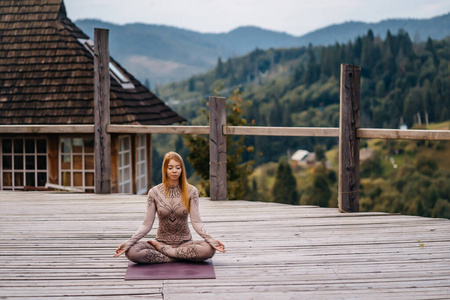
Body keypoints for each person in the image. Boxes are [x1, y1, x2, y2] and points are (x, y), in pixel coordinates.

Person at [114, 151, 225, 264]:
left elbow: (197, 222)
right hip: (161, 242)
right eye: (170, 167)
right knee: (131, 252)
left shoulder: (192, 191)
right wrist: (128, 242)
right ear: (165, 170)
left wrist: (211, 240)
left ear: (182, 169)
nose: (174, 171)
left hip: (185, 243)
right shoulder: (154, 192)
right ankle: (178, 256)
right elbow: (146, 225)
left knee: (209, 249)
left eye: (178, 167)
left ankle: (167, 253)